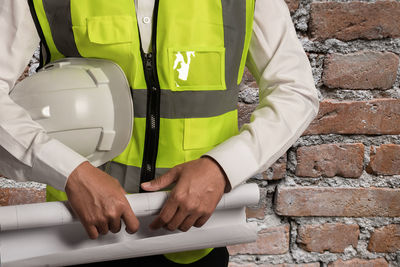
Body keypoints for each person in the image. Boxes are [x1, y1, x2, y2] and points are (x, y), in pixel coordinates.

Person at [0, 0, 319, 266]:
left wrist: (222, 168)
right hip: (78, 234)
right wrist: (68, 171)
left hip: (194, 238)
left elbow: (295, 91)